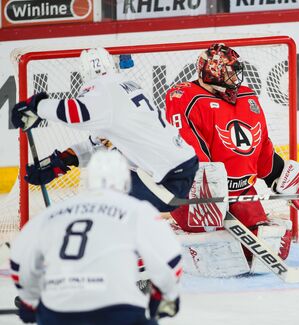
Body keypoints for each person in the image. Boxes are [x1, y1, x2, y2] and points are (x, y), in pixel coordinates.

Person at [164, 43, 299, 276]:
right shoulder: (184, 97)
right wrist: (210, 193)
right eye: (230, 71)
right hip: (196, 193)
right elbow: (190, 152)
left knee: (267, 252)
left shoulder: (246, 96)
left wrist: (279, 177)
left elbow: (260, 145)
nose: (236, 77)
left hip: (241, 192)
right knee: (218, 255)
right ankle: (176, 227)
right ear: (214, 72)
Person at [9, 150, 184, 325]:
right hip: (114, 302)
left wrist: (29, 300)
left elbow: (19, 260)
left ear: (88, 179)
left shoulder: (53, 213)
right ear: (126, 181)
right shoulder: (138, 210)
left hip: (60, 301)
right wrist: (167, 295)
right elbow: (170, 260)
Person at [11, 47, 198, 212]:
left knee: (98, 193)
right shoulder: (123, 86)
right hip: (183, 167)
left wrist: (37, 107)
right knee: (110, 168)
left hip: (166, 181)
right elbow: (99, 144)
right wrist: (60, 162)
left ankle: (123, 242)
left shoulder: (102, 88)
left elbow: (76, 113)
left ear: (84, 73)